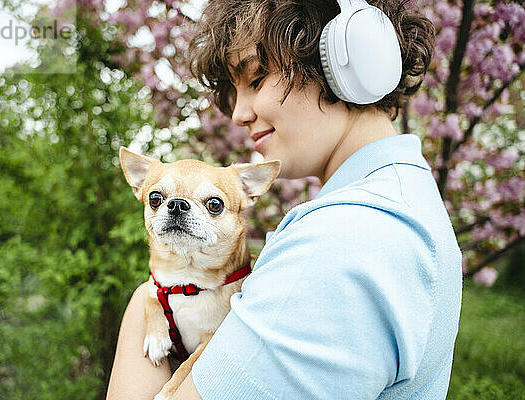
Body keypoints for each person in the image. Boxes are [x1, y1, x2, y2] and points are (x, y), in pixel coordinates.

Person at [106, 0, 463, 399]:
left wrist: (147, 299)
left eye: (256, 79)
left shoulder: (341, 243)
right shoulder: (403, 199)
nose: (238, 113)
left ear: (347, 64)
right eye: (234, 91)